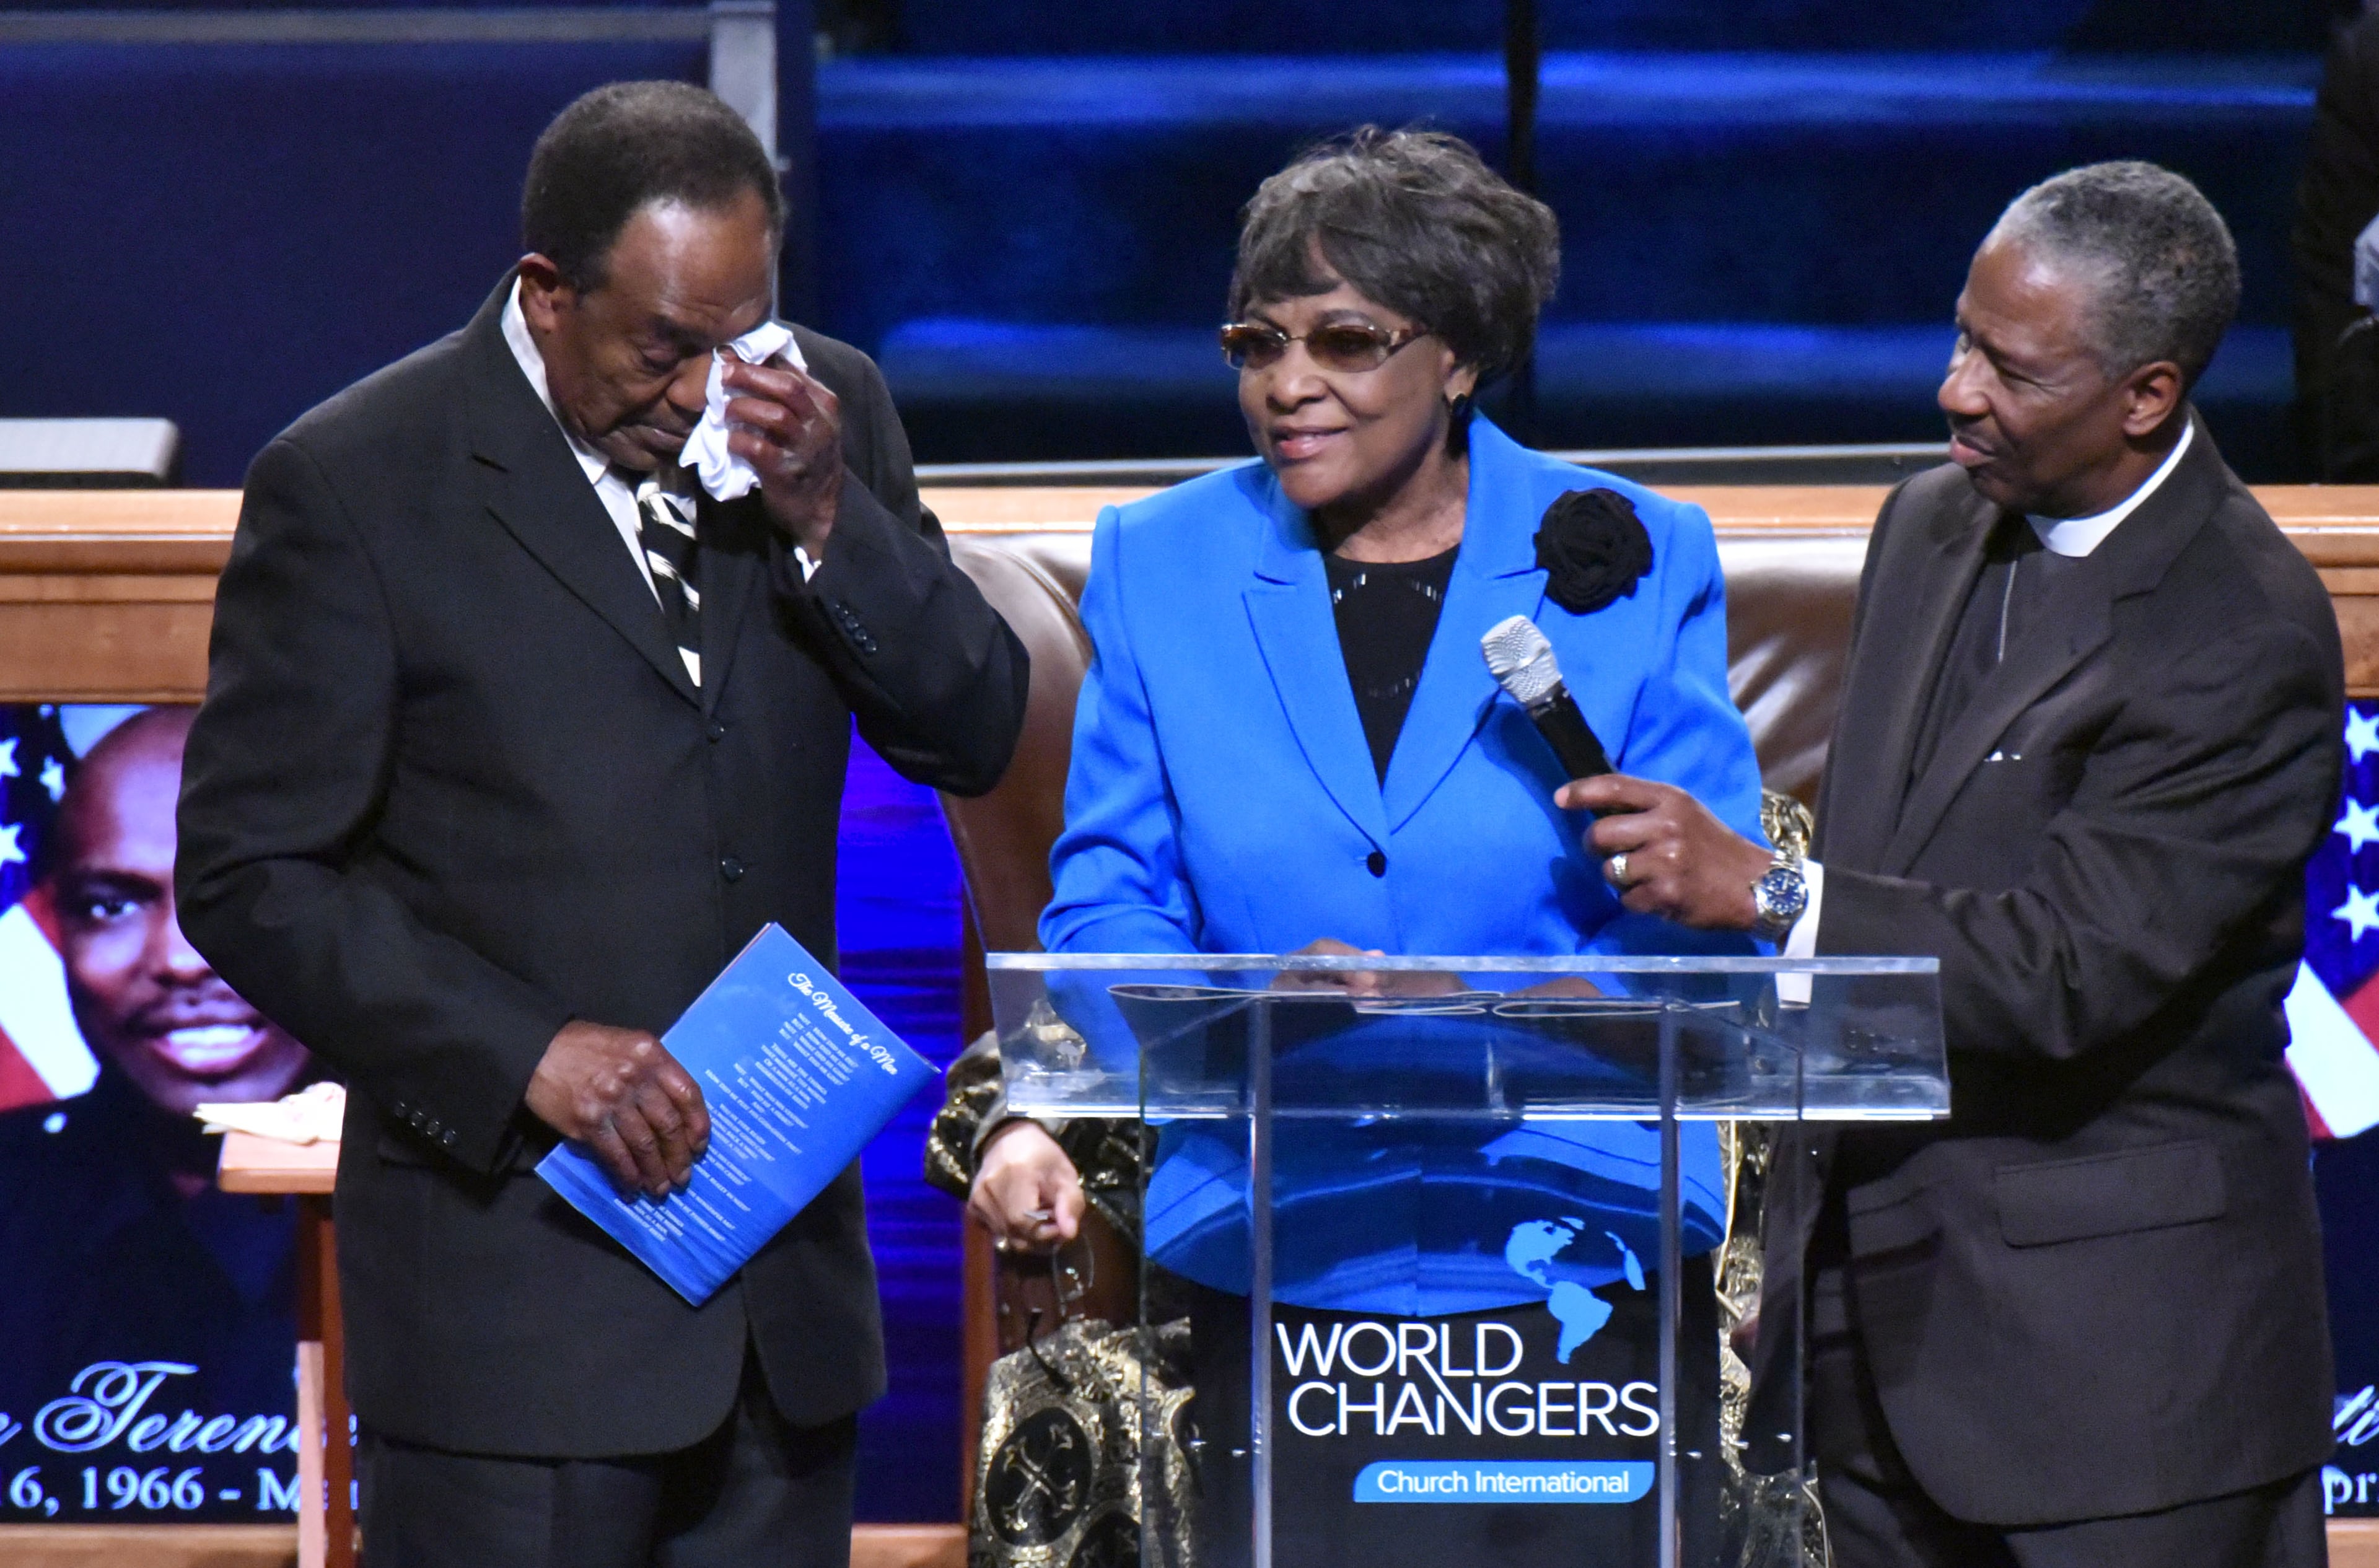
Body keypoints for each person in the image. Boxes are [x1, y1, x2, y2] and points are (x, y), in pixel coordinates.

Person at [175, 82, 1028, 1567]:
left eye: (742, 339)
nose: (707, 393)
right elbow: (253, 873)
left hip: (780, 1313)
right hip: (514, 1316)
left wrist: (830, 516)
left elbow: (970, 726)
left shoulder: (822, 418)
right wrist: (529, 1053)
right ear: (547, 292)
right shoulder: (359, 478)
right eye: (664, 349)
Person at [961, 128, 1777, 1567]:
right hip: (1272, 1226)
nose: (1287, 384)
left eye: (1344, 340)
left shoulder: (1636, 554)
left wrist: (1513, 1010)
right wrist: (1248, 1005)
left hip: (1574, 1226)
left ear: (1459, 359)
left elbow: (1701, 921)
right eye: (1257, 342)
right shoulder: (1163, 559)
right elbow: (1105, 903)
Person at [1592, 162, 2340, 1567]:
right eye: (1960, 339)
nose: (1955, 391)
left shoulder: (2239, 629)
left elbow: (2070, 967)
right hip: (1871, 1362)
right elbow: (1888, 881)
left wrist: (1770, 889)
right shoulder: (1927, 526)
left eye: (2012, 369)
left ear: (2145, 394)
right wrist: (1792, 1266)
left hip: (2120, 1398)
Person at [0, 706, 315, 1479]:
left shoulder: (462, 1208)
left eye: (246, 893)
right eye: (111, 904)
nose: (181, 958)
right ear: (58, 926)